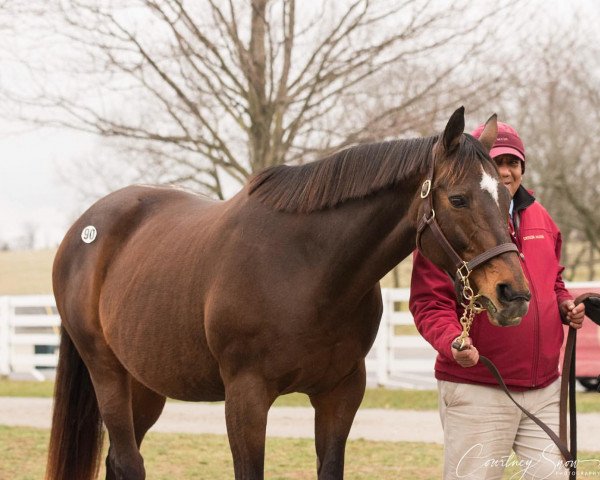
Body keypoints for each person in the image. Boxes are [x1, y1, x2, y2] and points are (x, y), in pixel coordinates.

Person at [409, 122, 586, 480]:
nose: (506, 171)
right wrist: (451, 341)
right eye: (497, 161)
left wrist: (565, 303)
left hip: (544, 389)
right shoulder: (450, 225)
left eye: (513, 162)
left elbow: (553, 278)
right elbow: (429, 303)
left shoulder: (540, 216)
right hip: (480, 389)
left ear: (522, 167)